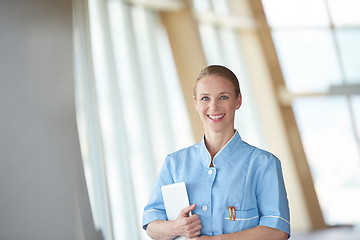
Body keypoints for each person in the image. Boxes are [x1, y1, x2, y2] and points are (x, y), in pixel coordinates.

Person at [142, 65, 290, 240]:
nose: (214, 106)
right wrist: (176, 228)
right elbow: (151, 224)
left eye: (223, 97)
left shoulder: (264, 164)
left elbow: (277, 230)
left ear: (238, 101)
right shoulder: (174, 163)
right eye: (205, 98)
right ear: (195, 103)